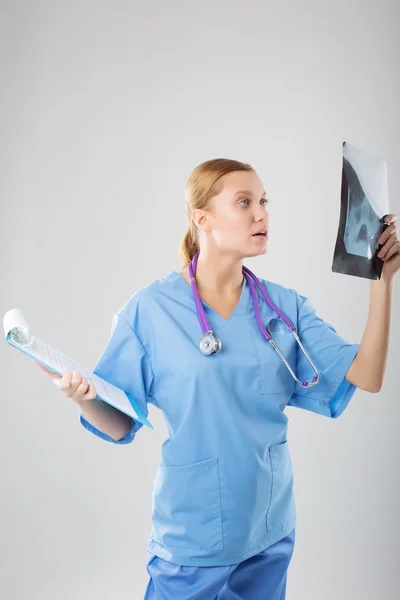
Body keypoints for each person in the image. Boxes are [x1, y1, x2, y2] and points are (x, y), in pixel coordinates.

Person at [36, 158, 398, 599]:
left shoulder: (285, 308)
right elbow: (118, 422)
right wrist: (81, 397)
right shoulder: (151, 310)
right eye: (244, 202)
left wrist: (382, 281)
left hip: (268, 526)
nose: (261, 213)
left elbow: (368, 375)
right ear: (201, 218)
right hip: (192, 532)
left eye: (263, 201)